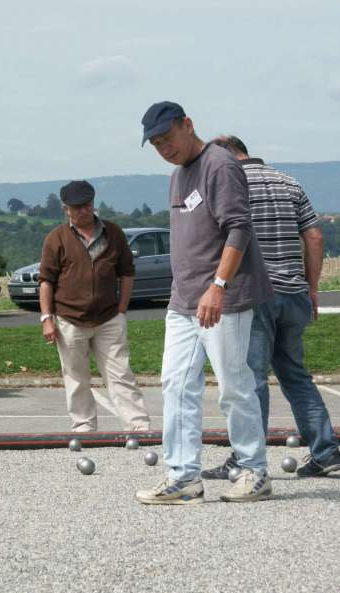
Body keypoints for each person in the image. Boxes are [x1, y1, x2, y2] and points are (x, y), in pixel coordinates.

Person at [135, 101, 274, 505]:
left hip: (223, 297)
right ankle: (183, 477)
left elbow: (238, 228)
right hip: (184, 299)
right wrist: (188, 291)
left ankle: (254, 471)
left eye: (167, 138)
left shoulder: (220, 164)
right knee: (175, 384)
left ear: (188, 124)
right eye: (156, 143)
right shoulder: (178, 176)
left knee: (233, 384)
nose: (164, 148)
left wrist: (218, 285)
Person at [202, 136, 340, 478]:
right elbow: (315, 237)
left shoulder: (232, 183)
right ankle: (325, 450)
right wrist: (311, 287)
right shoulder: (290, 182)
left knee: (251, 379)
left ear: (225, 155)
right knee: (295, 375)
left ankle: (248, 458)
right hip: (295, 293)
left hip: (256, 294)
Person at [38, 180, 150, 433]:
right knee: (76, 378)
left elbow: (127, 272)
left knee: (121, 374)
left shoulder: (113, 233)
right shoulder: (57, 238)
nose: (83, 211)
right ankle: (84, 426)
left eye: (86, 205)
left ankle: (138, 427)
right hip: (68, 318)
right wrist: (47, 318)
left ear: (93, 204)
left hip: (109, 317)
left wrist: (122, 308)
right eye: (76, 207)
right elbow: (46, 281)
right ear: (66, 209)